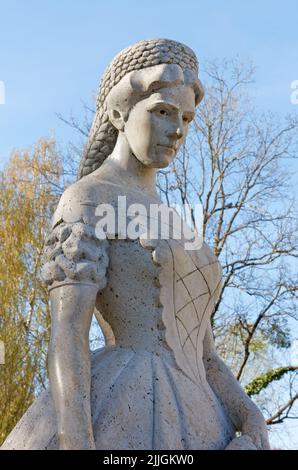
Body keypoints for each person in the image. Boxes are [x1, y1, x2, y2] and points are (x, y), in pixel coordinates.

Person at [1, 38, 270, 450]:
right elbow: (69, 333)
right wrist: (76, 440)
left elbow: (206, 357)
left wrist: (250, 415)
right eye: (161, 112)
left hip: (205, 418)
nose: (177, 129)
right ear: (118, 112)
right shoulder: (89, 199)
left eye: (185, 117)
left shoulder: (179, 223)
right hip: (125, 405)